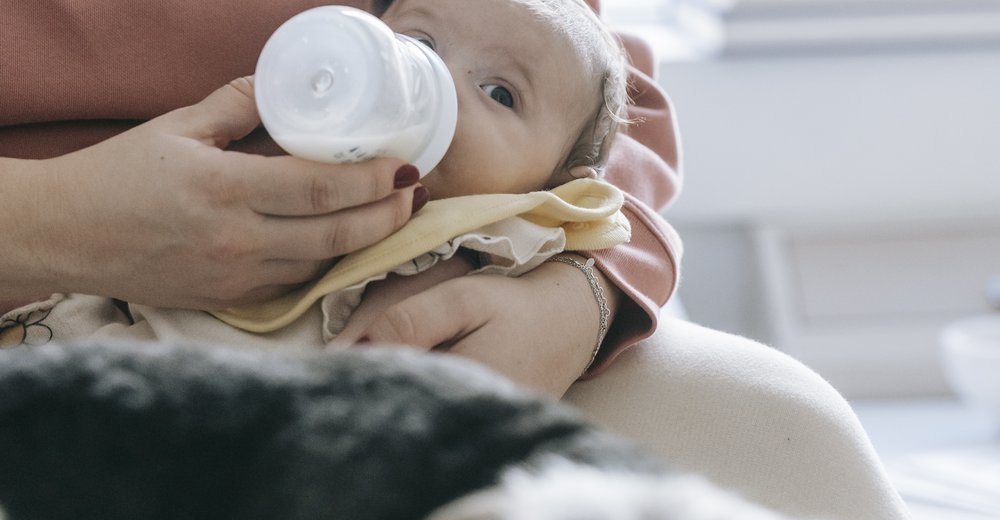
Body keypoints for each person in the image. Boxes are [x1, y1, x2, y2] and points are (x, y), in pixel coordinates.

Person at [0, 0, 681, 397]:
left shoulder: (499, 224)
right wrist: (48, 219)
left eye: (499, 92)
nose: (429, 77)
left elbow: (607, 109)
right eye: (415, 42)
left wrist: (580, 296)